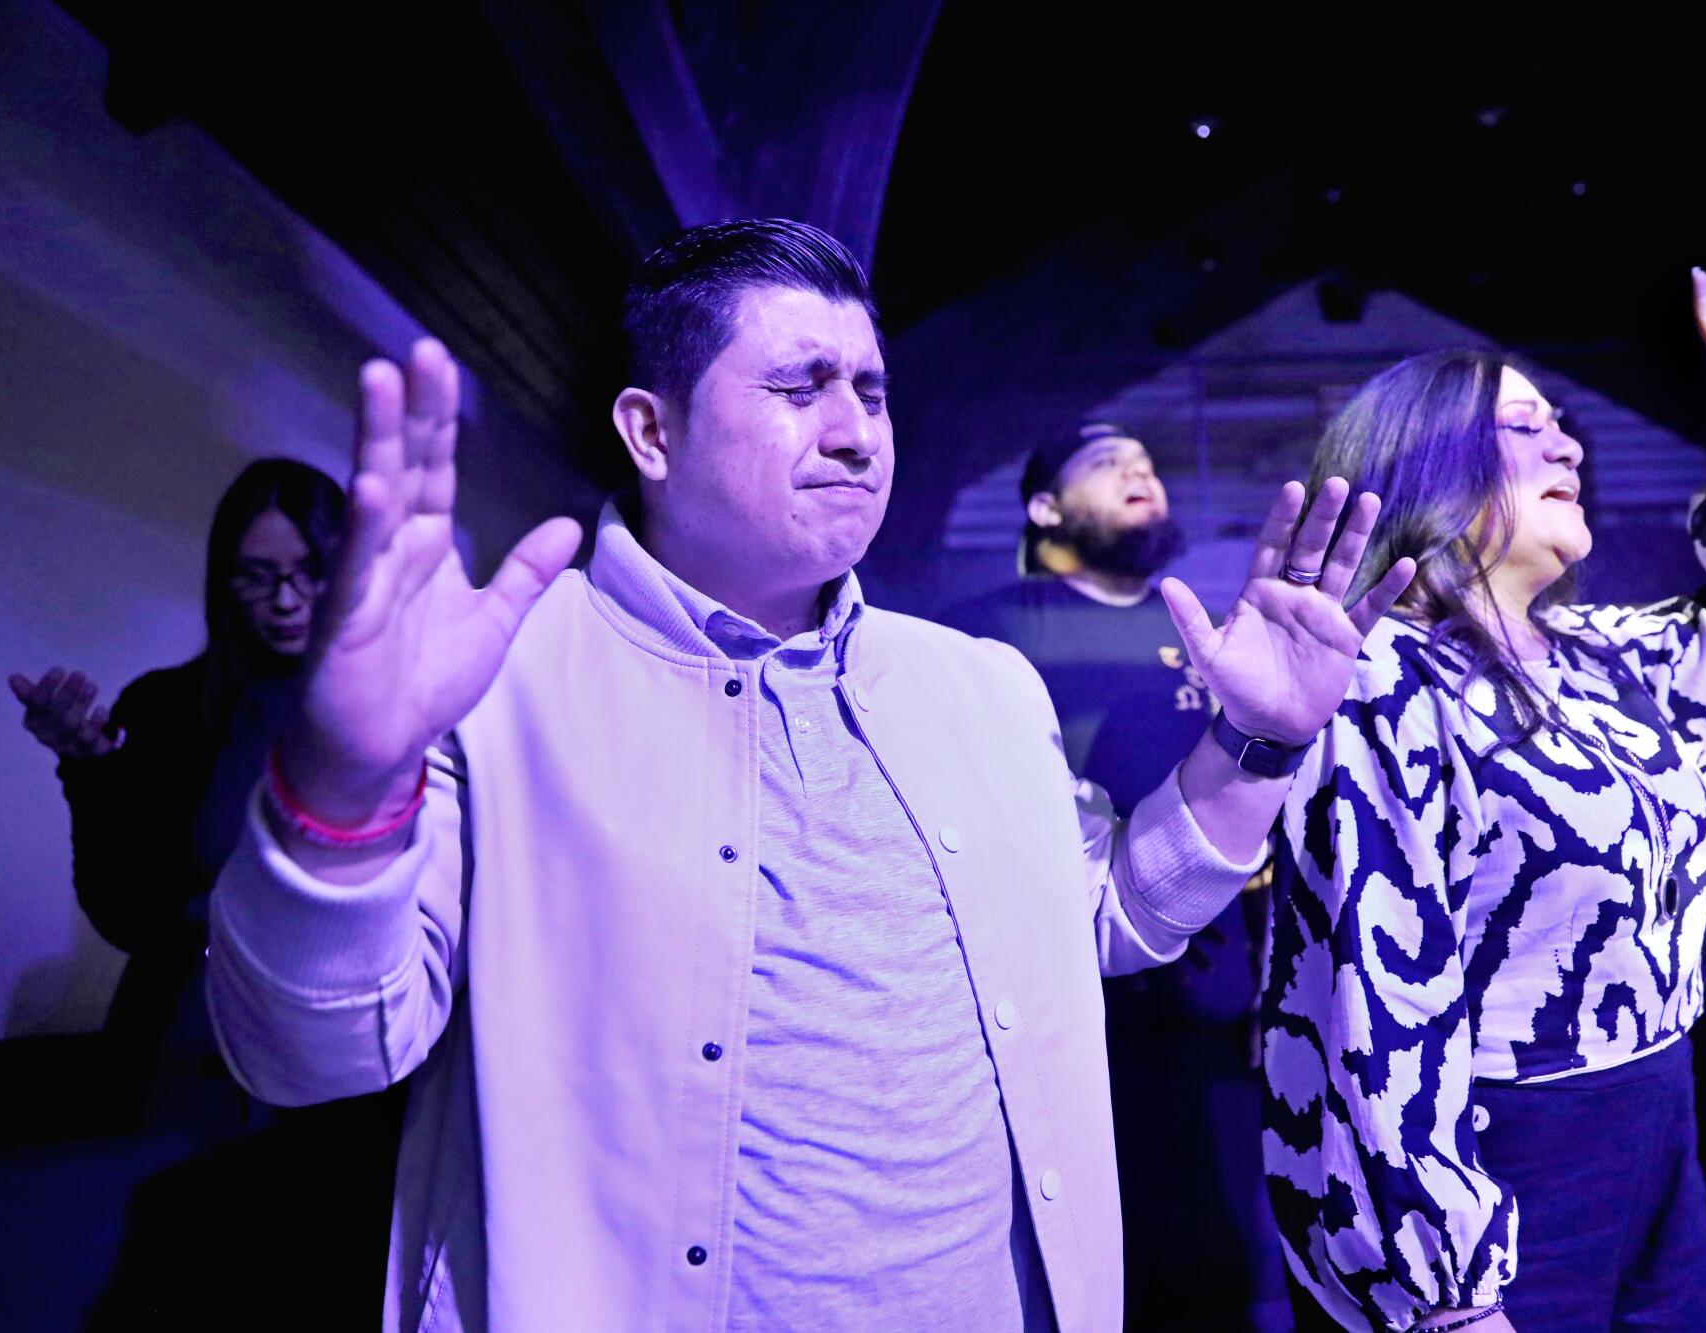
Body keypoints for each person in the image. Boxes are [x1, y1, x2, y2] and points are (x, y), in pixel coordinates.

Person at [204, 218, 1416, 1330]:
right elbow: (310, 1056)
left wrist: (1255, 744)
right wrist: (343, 788)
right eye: (798, 386)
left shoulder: (978, 685)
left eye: (872, 391)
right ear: (650, 429)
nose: (854, 429)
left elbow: (1104, 918)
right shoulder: (505, 678)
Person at [1262, 256, 1706, 1331]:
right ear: (1421, 463)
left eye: (1560, 424)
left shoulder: (1600, 658)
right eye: (1522, 428)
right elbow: (1368, 1009)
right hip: (1499, 1160)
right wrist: (1443, 1291)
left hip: (1657, 1122)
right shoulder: (1373, 677)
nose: (1566, 444)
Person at [944, 421, 1287, 1328]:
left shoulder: (1199, 628)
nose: (1140, 469)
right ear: (1045, 507)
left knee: (1226, 1264)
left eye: (1146, 459)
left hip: (1219, 1007)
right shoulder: (990, 633)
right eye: (1106, 463)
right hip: (1082, 1006)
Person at [8, 457, 345, 1120]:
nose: (284, 599)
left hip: (332, 1071)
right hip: (179, 1055)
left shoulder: (388, 717)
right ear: (224, 578)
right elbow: (124, 916)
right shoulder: (165, 706)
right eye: (258, 575)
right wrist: (91, 768)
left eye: (309, 572)